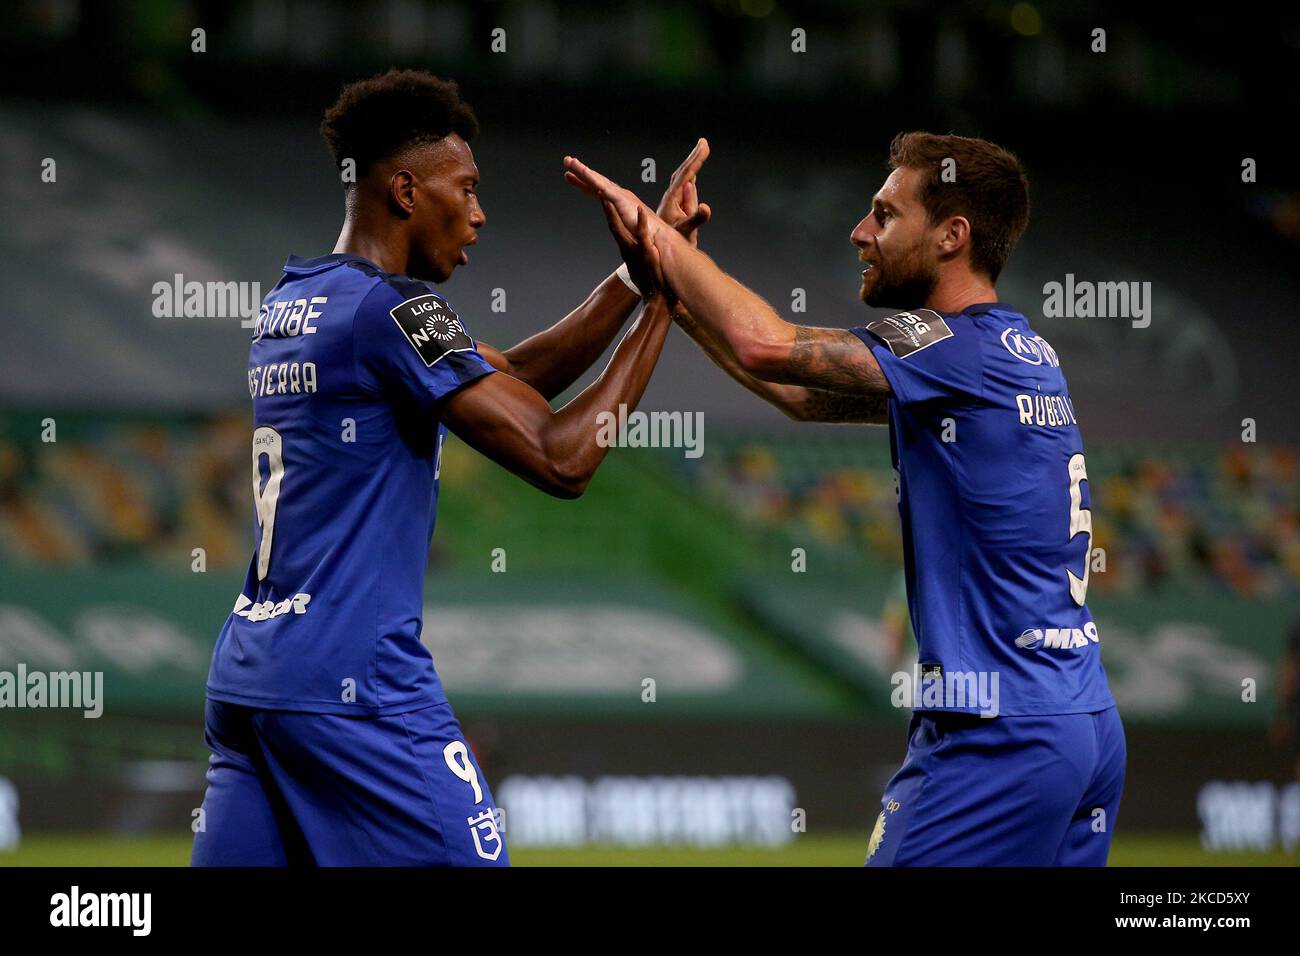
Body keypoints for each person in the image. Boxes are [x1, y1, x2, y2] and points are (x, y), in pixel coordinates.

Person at [191, 69, 708, 866]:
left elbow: (513, 380)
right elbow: (561, 457)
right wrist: (669, 298)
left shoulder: (296, 304)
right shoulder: (393, 309)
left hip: (251, 684)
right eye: (464, 189)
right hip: (355, 688)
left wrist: (632, 278)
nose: (478, 213)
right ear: (405, 191)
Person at [565, 131, 1125, 866]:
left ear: (953, 236)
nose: (860, 232)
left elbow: (769, 344)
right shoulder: (1013, 356)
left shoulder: (949, 347)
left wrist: (658, 238)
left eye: (885, 215)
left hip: (998, 734)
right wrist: (671, 288)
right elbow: (800, 392)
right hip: (1084, 721)